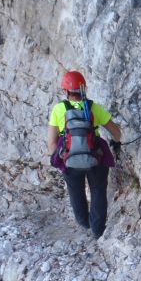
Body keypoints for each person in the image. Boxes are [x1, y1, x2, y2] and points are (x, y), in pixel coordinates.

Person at [46, 70, 122, 238]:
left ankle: (83, 222)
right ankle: (97, 230)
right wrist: (115, 142)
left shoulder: (58, 109)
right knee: (98, 191)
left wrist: (61, 160)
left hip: (69, 160)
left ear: (66, 91)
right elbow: (116, 132)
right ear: (83, 88)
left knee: (76, 191)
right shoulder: (93, 107)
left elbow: (51, 142)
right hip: (95, 158)